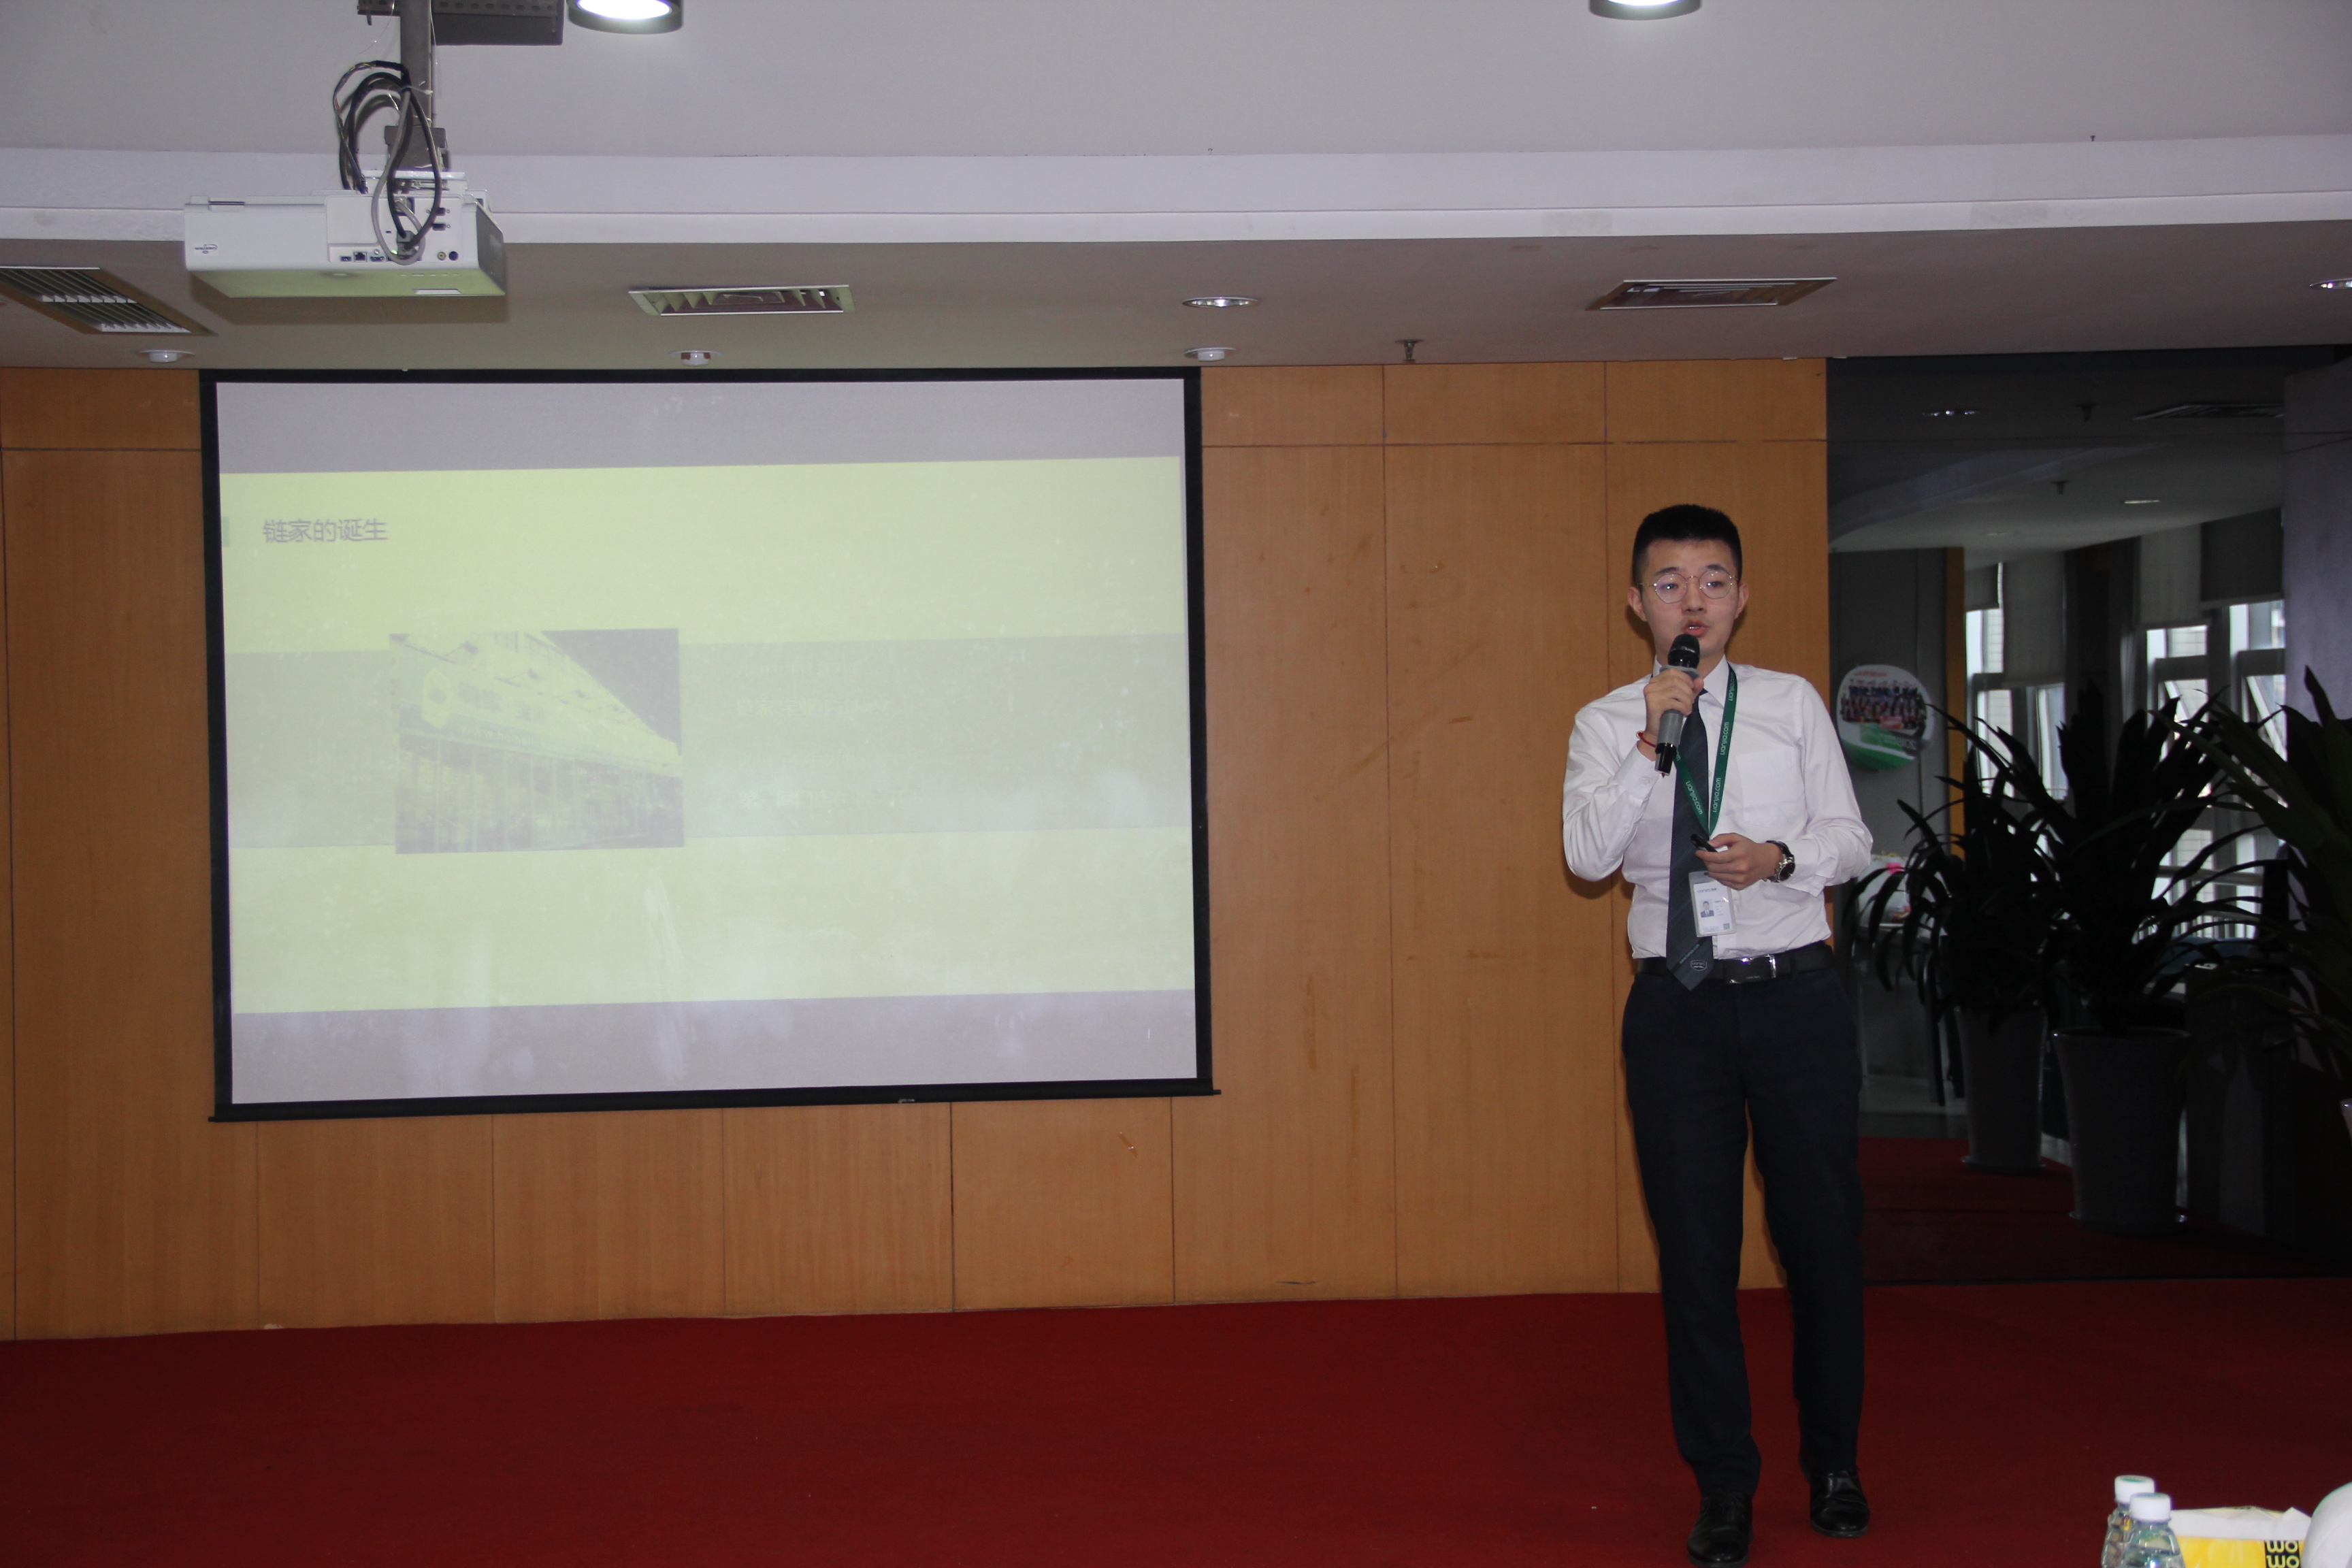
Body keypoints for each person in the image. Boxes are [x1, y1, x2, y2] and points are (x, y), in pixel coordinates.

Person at [1560, 504, 1876, 1568]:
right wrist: (1653, 744)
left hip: (1795, 997)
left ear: (1741, 597)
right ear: (1637, 603)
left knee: (1822, 1242)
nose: (1692, 601)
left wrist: (1782, 859)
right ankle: (1725, 1485)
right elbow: (1588, 857)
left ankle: (1834, 1463)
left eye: (1712, 580)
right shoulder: (1608, 722)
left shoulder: (1791, 705)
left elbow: (1851, 839)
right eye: (1669, 583)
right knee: (1697, 1257)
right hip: (1677, 1010)